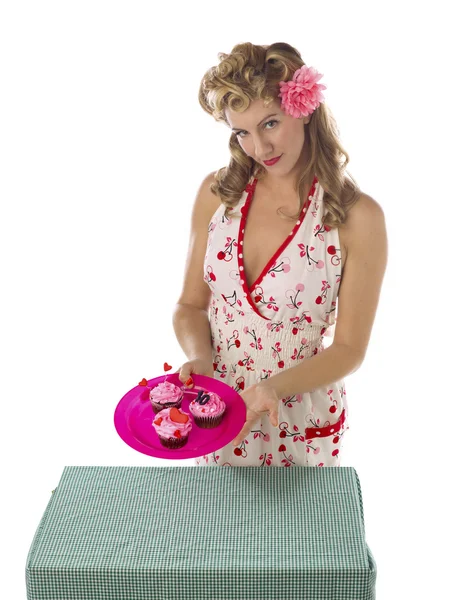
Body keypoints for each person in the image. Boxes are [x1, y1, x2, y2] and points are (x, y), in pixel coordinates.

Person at [172, 42, 388, 467]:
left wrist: (273, 388)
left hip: (298, 418)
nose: (259, 148)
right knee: (216, 530)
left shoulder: (356, 217)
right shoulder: (217, 196)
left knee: (298, 533)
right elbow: (189, 306)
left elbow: (349, 349)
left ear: (304, 108)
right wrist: (201, 358)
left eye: (270, 123)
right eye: (242, 132)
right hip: (219, 410)